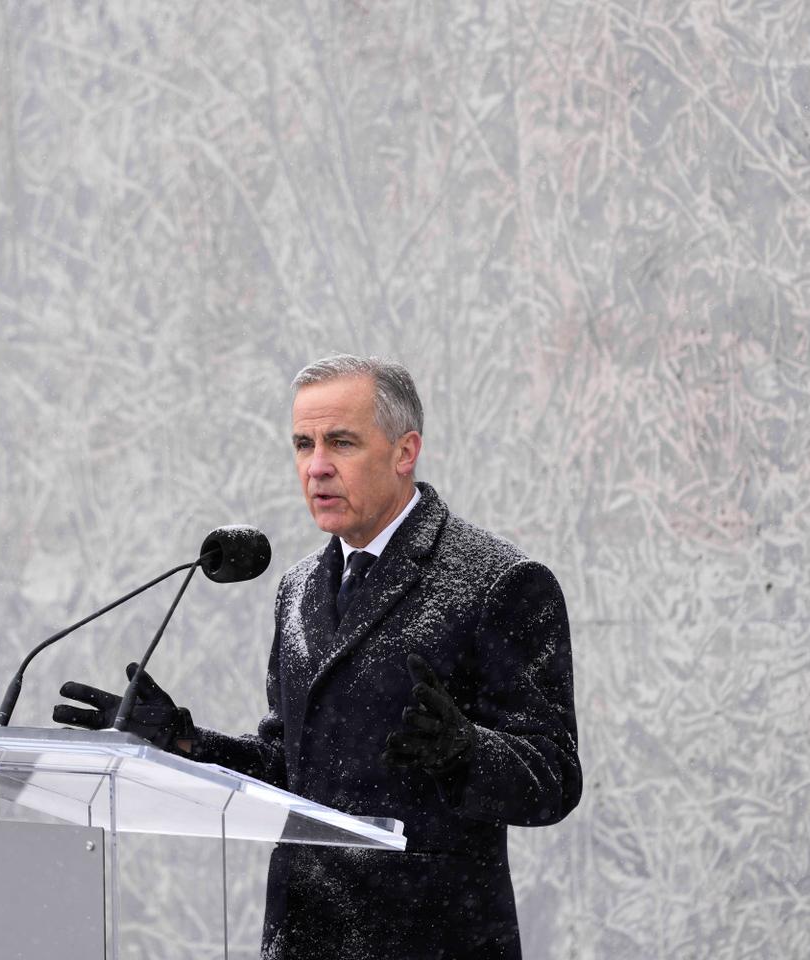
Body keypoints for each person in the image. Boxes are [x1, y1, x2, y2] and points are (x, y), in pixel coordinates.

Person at [54, 354, 582, 959]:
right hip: (303, 935)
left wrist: (465, 752)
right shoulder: (299, 588)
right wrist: (185, 742)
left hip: (428, 937)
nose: (317, 466)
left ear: (405, 452)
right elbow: (291, 770)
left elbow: (554, 777)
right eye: (303, 445)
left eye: (342, 442)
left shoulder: (498, 581)